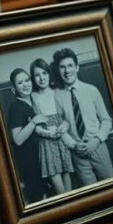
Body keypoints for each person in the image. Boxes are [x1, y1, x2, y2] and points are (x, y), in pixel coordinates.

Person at [52, 48, 113, 184]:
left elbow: (106, 120)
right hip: (77, 152)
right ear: (58, 70)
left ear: (77, 67)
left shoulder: (92, 90)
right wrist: (74, 145)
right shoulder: (56, 96)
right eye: (62, 67)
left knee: (110, 186)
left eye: (70, 66)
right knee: (91, 192)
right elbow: (60, 127)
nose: (67, 71)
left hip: (98, 146)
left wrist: (96, 140)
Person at [30, 58, 74, 196]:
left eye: (44, 73)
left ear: (49, 74)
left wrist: (64, 126)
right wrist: (47, 133)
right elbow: (36, 125)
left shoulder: (58, 92)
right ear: (33, 78)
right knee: (60, 192)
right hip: (47, 144)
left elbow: (67, 118)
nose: (42, 78)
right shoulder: (33, 97)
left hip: (62, 141)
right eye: (37, 75)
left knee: (69, 191)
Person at [6, 68, 48, 204]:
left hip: (43, 159)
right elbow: (17, 139)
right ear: (13, 89)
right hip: (30, 164)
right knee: (39, 202)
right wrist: (34, 121)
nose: (25, 85)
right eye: (20, 83)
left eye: (27, 80)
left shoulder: (34, 101)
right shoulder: (16, 108)